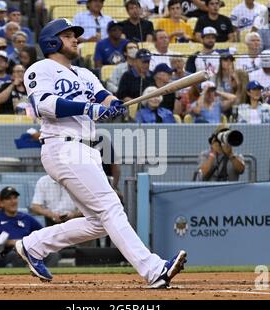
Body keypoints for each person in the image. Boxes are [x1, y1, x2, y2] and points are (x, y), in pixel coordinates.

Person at [15, 18, 187, 287]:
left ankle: (33, 245)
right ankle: (154, 270)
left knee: (98, 221)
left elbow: (103, 97)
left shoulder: (84, 74)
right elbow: (44, 105)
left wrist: (115, 105)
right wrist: (88, 109)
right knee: (110, 208)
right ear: (52, 40)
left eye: (75, 35)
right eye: (69, 35)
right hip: (62, 145)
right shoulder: (40, 68)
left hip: (87, 149)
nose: (76, 39)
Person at [0, 186, 54, 268]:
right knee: (14, 254)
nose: (13, 201)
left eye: (15, 198)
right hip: (8, 251)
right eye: (9, 199)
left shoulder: (26, 217)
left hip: (29, 250)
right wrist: (15, 243)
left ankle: (44, 275)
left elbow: (43, 234)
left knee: (53, 254)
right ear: (1, 203)